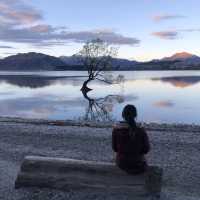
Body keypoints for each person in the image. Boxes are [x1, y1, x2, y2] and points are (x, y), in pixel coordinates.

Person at [112, 104, 150, 174]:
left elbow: (115, 148)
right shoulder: (141, 130)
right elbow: (146, 149)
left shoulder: (116, 130)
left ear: (123, 115)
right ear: (135, 115)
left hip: (122, 164)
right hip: (138, 164)